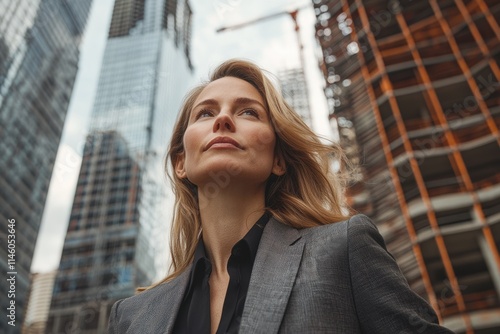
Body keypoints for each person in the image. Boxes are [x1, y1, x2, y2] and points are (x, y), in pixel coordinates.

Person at [108, 59, 454, 333]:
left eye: (248, 112)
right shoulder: (133, 316)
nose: (224, 119)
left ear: (278, 160)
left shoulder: (344, 249)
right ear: (181, 162)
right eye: (206, 113)